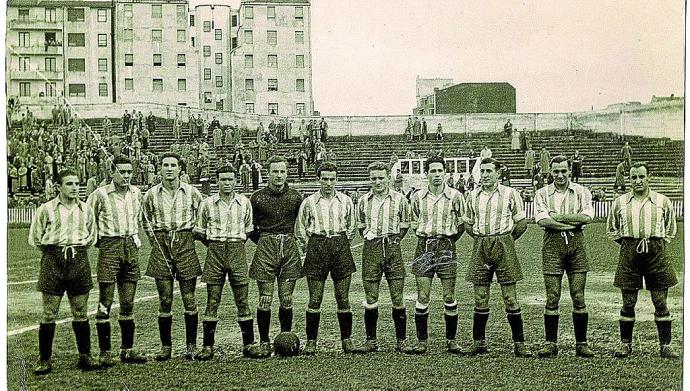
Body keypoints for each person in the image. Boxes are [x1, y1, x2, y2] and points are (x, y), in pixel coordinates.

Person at [29, 168, 101, 375]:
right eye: (69, 184)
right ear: (58, 187)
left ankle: (85, 356)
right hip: (53, 260)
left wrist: (73, 251)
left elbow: (91, 238)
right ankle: (44, 360)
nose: (74, 188)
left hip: (78, 260)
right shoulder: (46, 209)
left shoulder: (86, 209)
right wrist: (55, 252)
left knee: (80, 310)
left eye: (77, 184)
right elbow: (35, 238)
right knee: (49, 313)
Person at [607, 162, 679, 359]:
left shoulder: (662, 201)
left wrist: (657, 244)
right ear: (629, 179)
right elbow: (612, 229)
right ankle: (625, 344)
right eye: (633, 177)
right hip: (629, 252)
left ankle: (665, 346)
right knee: (628, 301)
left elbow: (671, 229)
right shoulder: (620, 202)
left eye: (641, 177)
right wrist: (628, 243)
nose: (637, 181)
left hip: (656, 252)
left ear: (649, 177)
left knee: (659, 300)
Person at [192, 165, 263, 360]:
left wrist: (234, 244)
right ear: (217, 181)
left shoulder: (244, 202)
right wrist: (216, 244)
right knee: (212, 299)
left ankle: (248, 344)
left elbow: (248, 230)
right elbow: (199, 231)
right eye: (223, 179)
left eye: (230, 179)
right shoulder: (207, 203)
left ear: (235, 181)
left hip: (237, 250)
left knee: (242, 299)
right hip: (214, 250)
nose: (227, 183)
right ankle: (208, 346)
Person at [463, 158, 531, 357]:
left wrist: (507, 241)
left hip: (504, 245)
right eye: (482, 171)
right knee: (480, 296)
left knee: (510, 297)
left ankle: (519, 343)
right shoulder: (472, 195)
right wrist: (481, 239)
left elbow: (521, 223)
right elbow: (468, 223)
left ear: (498, 173)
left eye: (489, 171)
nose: (484, 175)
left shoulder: (510, 193)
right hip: (481, 245)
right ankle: (479, 342)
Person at [87, 156, 149, 366]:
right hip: (110, 246)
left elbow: (138, 219)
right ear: (111, 172)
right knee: (105, 300)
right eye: (121, 172)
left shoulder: (136, 193)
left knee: (128, 302)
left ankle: (127, 349)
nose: (126, 176)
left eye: (129, 172)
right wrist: (101, 244)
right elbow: (89, 221)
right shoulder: (100, 194)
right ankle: (105, 351)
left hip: (130, 246)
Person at [142, 152, 204, 361]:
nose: (169, 168)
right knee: (165, 298)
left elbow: (202, 216)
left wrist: (192, 235)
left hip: (185, 241)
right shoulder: (150, 194)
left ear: (180, 169)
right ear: (159, 168)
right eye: (165, 165)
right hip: (161, 243)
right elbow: (145, 220)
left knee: (189, 297)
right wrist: (155, 241)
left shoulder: (192, 192)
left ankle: (191, 346)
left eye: (173, 165)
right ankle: (165, 347)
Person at [534, 156, 595, 358]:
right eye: (555, 171)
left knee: (578, 295)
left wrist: (559, 217)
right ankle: (550, 344)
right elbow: (543, 221)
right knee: (552, 296)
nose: (560, 175)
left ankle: (582, 344)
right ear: (550, 172)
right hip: (552, 245)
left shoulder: (581, 191)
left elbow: (587, 217)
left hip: (577, 245)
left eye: (564, 171)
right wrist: (570, 224)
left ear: (570, 171)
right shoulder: (542, 193)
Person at [404, 156, 465, 355]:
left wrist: (448, 240)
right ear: (426, 174)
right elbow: (414, 223)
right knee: (423, 295)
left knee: (449, 295)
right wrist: (427, 238)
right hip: (424, 247)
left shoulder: (456, 196)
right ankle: (422, 341)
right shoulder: (417, 197)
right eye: (433, 171)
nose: (437, 175)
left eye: (440, 171)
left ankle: (451, 340)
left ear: (445, 173)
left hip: (447, 245)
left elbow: (462, 224)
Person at [295, 161, 358, 354]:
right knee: (315, 298)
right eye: (324, 179)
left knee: (343, 298)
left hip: (339, 246)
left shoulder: (346, 201)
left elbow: (351, 227)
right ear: (318, 180)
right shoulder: (309, 202)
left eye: (332, 179)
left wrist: (339, 242)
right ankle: (312, 341)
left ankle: (346, 339)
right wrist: (312, 246)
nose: (328, 183)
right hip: (317, 246)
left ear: (336, 180)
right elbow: (301, 229)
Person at [248, 155, 305, 357]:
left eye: (282, 171)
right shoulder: (257, 197)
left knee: (286, 298)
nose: (278, 175)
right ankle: (264, 341)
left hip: (289, 246)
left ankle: (285, 339)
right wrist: (265, 241)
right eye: (275, 171)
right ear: (268, 173)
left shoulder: (296, 197)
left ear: (287, 173)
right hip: (266, 246)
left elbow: (302, 223)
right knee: (265, 298)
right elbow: (249, 227)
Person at [355, 162, 411, 353]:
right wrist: (372, 239)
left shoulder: (400, 199)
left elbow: (405, 224)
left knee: (397, 296)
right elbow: (360, 225)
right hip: (372, 249)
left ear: (388, 177)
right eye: (373, 178)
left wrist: (393, 241)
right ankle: (371, 340)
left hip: (393, 248)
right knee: (371, 295)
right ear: (369, 179)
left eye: (381, 177)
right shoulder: (363, 201)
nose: (377, 181)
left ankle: (401, 340)